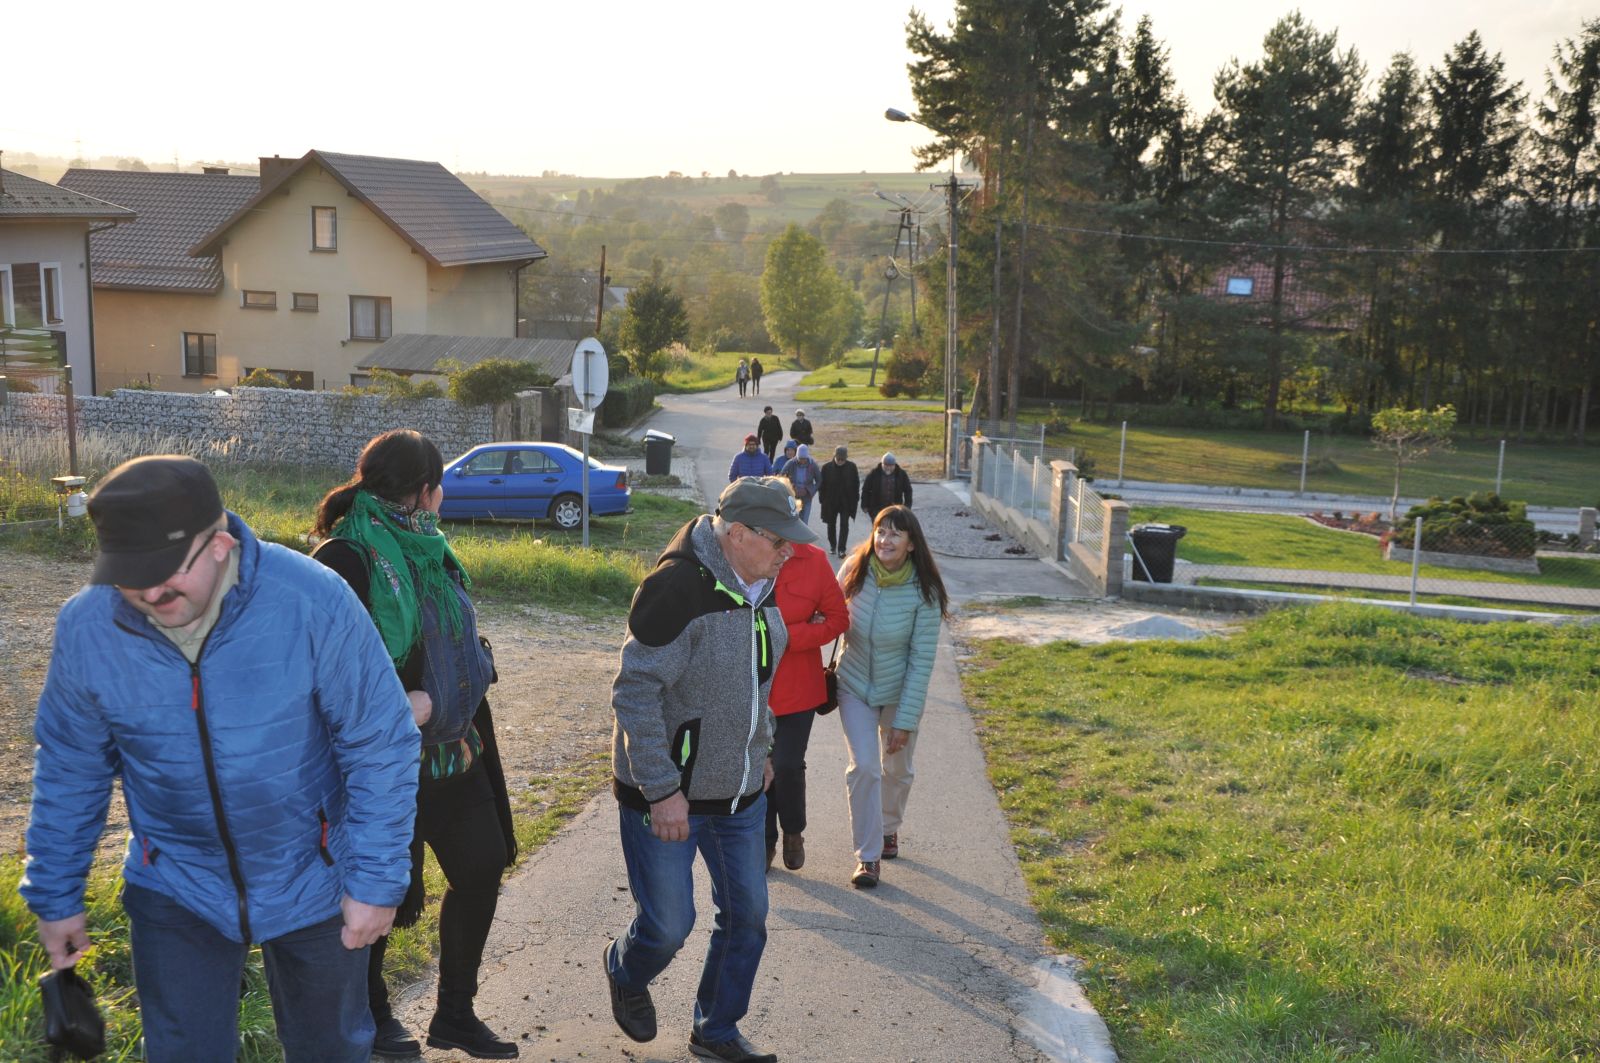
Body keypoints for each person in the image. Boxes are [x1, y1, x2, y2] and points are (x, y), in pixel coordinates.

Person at [22, 455, 420, 1063]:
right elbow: (71, 766)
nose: (149, 592)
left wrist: (375, 880)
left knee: (331, 1050)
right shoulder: (89, 627)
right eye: (129, 574)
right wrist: (56, 894)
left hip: (314, 872)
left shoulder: (311, 599)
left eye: (164, 570)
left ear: (219, 544)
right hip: (175, 878)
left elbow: (380, 741)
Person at [311, 430, 520, 1060]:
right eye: (440, 486)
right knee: (381, 889)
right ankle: (374, 1015)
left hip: (455, 752)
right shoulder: (344, 559)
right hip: (383, 765)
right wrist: (401, 705)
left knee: (482, 867)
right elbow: (322, 672)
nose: (443, 497)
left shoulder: (433, 548)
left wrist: (472, 668)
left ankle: (455, 1014)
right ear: (425, 490)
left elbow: (451, 639)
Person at [603, 476, 819, 1063]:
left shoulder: (761, 584)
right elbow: (634, 692)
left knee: (748, 918)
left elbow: (757, 681)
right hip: (666, 796)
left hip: (740, 793)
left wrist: (762, 749)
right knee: (668, 926)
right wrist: (661, 790)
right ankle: (625, 969)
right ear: (739, 534)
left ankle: (715, 1029)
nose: (788, 552)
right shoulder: (675, 588)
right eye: (778, 540)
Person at [834, 505, 948, 889]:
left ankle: (888, 827)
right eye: (881, 531)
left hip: (900, 691)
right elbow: (827, 609)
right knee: (865, 768)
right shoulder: (854, 569)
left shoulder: (925, 591)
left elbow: (921, 660)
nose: (885, 540)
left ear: (911, 544)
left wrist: (905, 720)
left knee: (897, 768)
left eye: (896, 534)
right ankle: (868, 857)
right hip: (854, 684)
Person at [765, 541, 850, 874]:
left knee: (786, 763)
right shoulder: (745, 553)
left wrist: (792, 636)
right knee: (758, 765)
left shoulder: (814, 560)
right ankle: (764, 841)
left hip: (798, 687)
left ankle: (793, 831)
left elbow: (838, 618)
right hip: (752, 686)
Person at [819, 445, 861, 558]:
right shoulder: (826, 468)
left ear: (846, 458)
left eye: (843, 459)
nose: (841, 461)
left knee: (844, 525)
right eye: (839, 459)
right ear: (835, 456)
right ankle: (833, 545)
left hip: (846, 502)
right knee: (831, 525)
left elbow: (856, 484)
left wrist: (856, 498)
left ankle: (842, 549)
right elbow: (822, 486)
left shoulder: (852, 467)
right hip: (830, 502)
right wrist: (822, 500)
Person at [859, 452, 913, 521]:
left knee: (893, 526)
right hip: (876, 509)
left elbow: (908, 490)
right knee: (878, 527)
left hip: (895, 509)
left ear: (894, 465)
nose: (888, 468)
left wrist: (907, 506)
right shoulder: (874, 473)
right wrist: (864, 505)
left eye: (891, 466)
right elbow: (866, 490)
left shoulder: (901, 474)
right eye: (886, 465)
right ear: (882, 464)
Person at [782, 443, 820, 526]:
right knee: (793, 520)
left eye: (804, 459)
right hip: (793, 497)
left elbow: (819, 480)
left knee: (804, 522)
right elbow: (781, 477)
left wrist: (811, 491)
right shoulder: (790, 463)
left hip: (806, 496)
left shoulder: (813, 465)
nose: (802, 461)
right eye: (800, 459)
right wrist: (791, 487)